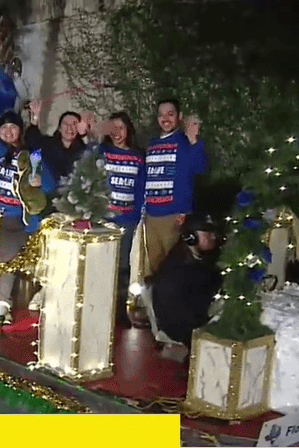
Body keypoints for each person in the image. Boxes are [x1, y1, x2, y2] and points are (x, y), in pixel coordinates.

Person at [0, 76, 56, 326]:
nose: (8, 131)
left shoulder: (31, 156)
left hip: (15, 219)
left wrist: (39, 181)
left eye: (13, 128)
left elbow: (48, 184)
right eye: (4, 127)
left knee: (6, 253)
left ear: (19, 131)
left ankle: (1, 307)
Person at [142, 98, 207, 278]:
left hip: (173, 216)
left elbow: (199, 167)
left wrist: (194, 141)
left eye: (170, 114)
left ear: (179, 117)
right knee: (155, 267)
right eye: (161, 115)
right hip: (151, 217)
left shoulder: (184, 143)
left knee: (174, 268)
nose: (165, 119)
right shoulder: (152, 144)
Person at [144, 213, 223, 358]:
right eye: (207, 233)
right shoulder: (177, 270)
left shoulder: (200, 259)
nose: (212, 237)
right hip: (183, 329)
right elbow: (180, 314)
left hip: (195, 321)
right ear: (190, 238)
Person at [94, 112, 146, 324]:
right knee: (100, 262)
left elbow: (141, 188)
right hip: (102, 217)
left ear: (128, 131)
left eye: (121, 128)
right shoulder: (101, 152)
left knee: (122, 266)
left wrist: (138, 215)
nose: (116, 132)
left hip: (126, 219)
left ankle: (117, 312)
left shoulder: (137, 157)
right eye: (112, 128)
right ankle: (96, 306)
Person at [25, 100, 88, 183]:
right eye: (66, 124)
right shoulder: (49, 144)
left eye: (74, 124)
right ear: (60, 128)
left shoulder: (84, 151)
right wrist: (35, 118)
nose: (69, 128)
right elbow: (32, 140)